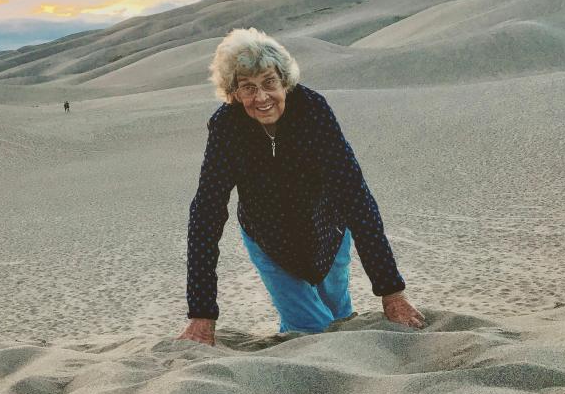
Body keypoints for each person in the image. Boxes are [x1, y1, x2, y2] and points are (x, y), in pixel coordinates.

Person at [178, 28, 423, 346]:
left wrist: (392, 293)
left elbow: (355, 195)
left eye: (269, 83)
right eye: (248, 88)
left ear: (284, 81)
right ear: (234, 93)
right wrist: (202, 314)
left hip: (329, 233)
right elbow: (206, 213)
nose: (262, 97)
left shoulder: (313, 112)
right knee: (310, 331)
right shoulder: (227, 128)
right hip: (269, 240)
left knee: (340, 320)